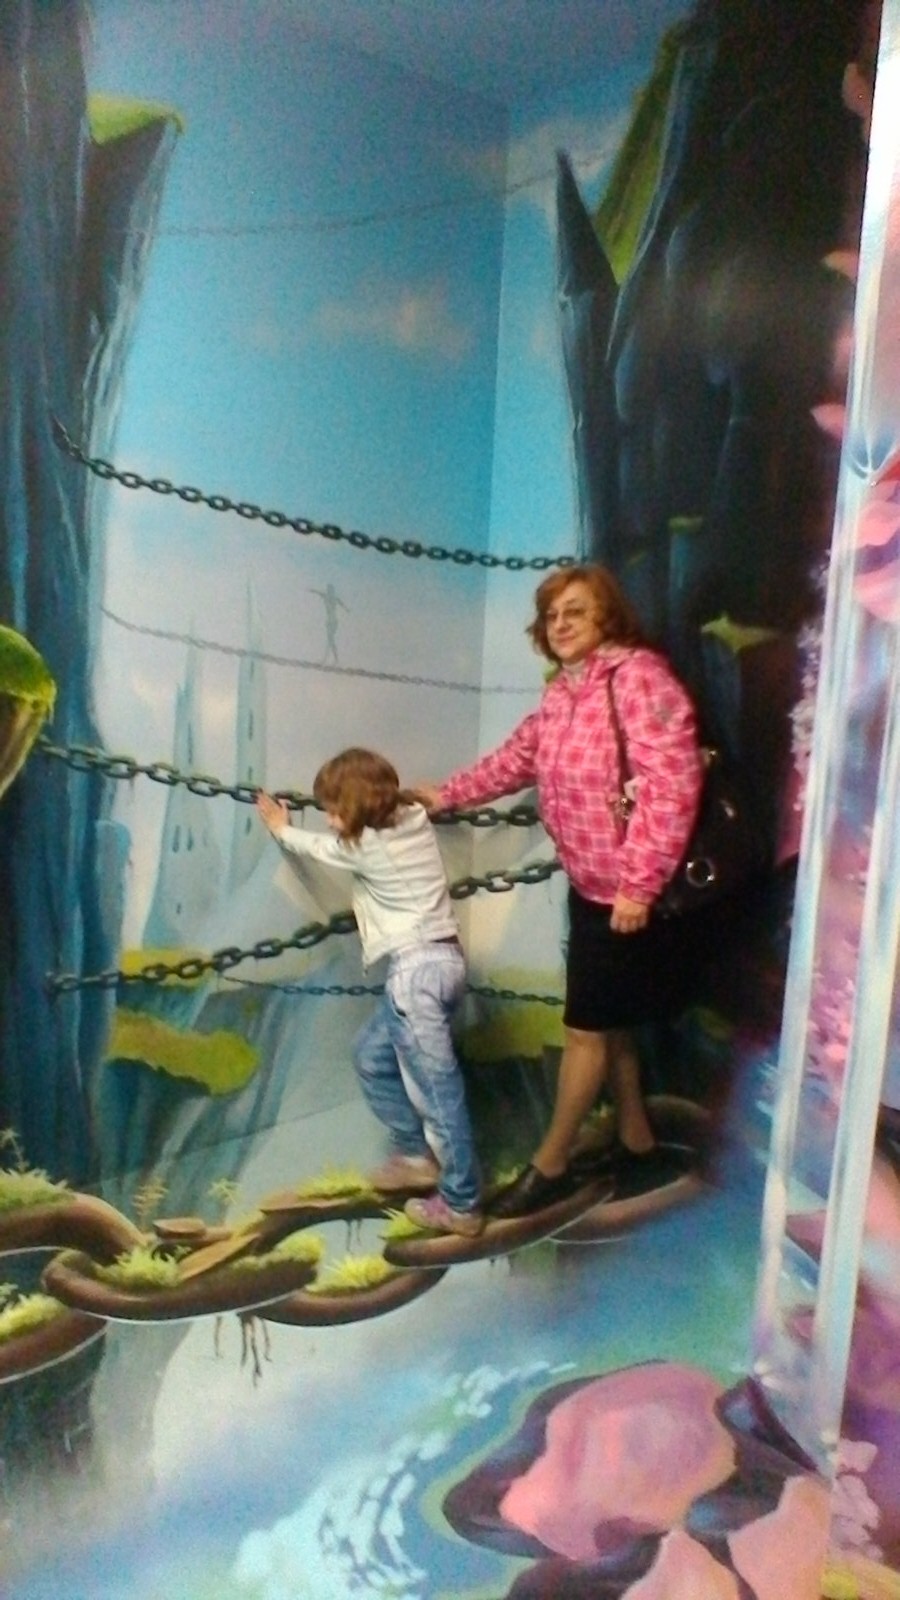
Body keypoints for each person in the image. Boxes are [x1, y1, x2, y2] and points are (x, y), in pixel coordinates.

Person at [417, 564, 704, 1220]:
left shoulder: (639, 679)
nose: (561, 624)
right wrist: (448, 793)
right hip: (591, 886)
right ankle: (638, 1145)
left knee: (585, 1032)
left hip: (627, 897)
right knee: (610, 1024)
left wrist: (639, 884)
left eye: (576, 611)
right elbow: (517, 758)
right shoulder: (563, 693)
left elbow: (672, 783)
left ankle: (550, 1166)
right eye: (552, 615)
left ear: (608, 617)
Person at [256, 748, 483, 1237]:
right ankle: (415, 1155)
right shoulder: (413, 818)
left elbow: (317, 848)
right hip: (443, 963)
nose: (330, 820)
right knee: (371, 1055)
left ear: (360, 807)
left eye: (335, 810)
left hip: (415, 976)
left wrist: (279, 827)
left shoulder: (365, 848)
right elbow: (410, 800)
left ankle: (462, 1205)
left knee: (437, 1095)